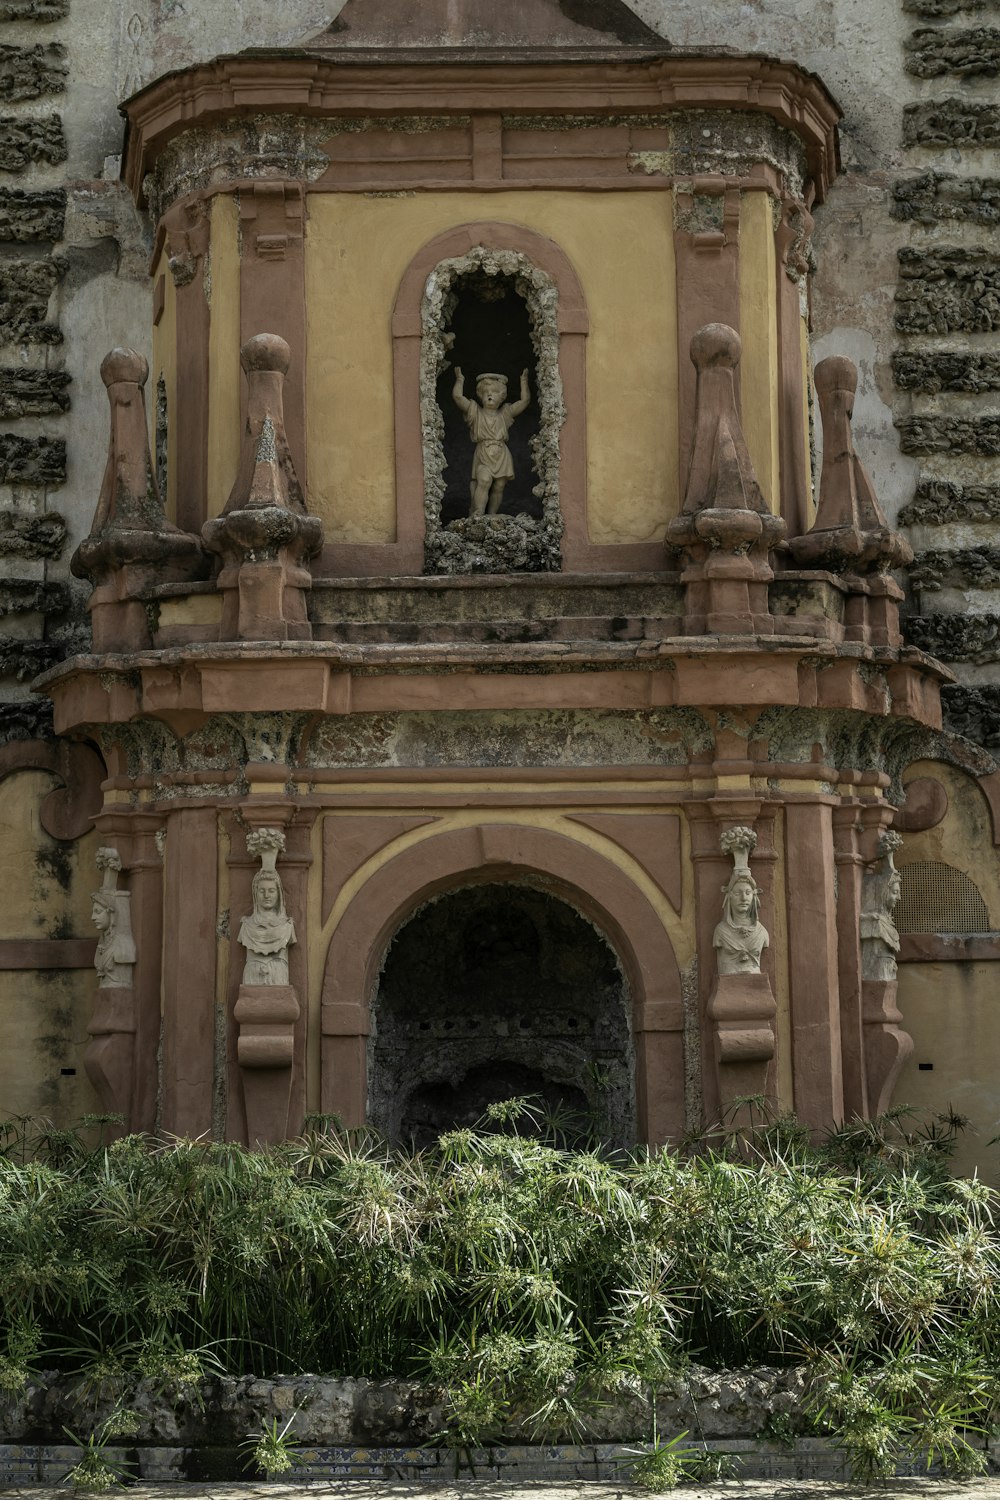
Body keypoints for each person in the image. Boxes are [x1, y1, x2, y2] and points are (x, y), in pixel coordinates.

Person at [452, 366, 531, 517]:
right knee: (484, 479)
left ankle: (492, 514)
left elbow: (524, 401)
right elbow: (458, 398)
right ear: (480, 395)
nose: (490, 395)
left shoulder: (505, 413)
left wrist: (524, 381)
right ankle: (478, 513)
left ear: (502, 396)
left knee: (499, 486)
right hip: (483, 452)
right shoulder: (475, 411)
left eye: (494, 392)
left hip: (501, 454)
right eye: (486, 392)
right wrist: (460, 380)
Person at [239, 868, 296, 986]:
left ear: (278, 893)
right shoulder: (247, 925)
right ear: (255, 893)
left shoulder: (287, 926)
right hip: (251, 979)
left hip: (279, 978)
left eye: (271, 890)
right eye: (261, 891)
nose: (266, 895)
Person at [713, 869, 769, 976]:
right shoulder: (721, 932)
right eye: (738, 893)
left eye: (748, 893)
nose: (743, 898)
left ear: (754, 897)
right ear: (729, 896)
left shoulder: (761, 932)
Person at [91, 889, 137, 988]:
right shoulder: (104, 941)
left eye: (98, 912)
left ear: (111, 913)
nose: (93, 917)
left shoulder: (123, 943)